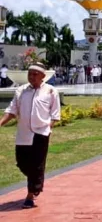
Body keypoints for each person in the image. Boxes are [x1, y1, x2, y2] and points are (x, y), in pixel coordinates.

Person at [0, 63, 60, 209]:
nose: (31, 77)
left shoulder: (51, 91)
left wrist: (48, 128)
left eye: (35, 74)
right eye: (30, 74)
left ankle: (30, 195)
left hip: (41, 134)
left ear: (43, 76)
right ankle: (36, 181)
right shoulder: (21, 91)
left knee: (37, 165)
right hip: (23, 134)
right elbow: (12, 111)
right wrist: (1, 123)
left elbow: (55, 114)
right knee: (22, 163)